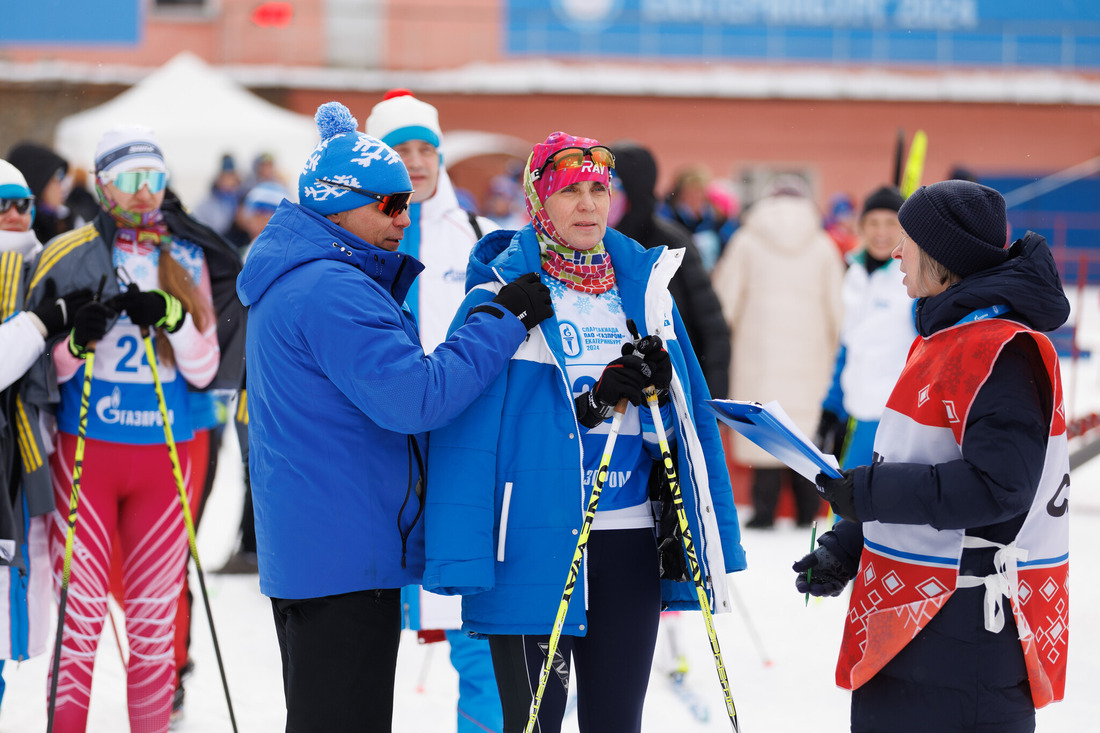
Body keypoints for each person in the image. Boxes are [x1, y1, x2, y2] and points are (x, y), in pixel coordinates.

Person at [235, 101, 552, 733]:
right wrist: (500, 321)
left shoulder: (304, 274)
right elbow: (418, 398)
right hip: (346, 553)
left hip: (322, 547)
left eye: (408, 203)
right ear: (337, 201)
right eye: (389, 205)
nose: (404, 220)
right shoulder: (332, 288)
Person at [423, 131, 746, 733]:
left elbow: (684, 428)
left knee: (617, 722)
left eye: (599, 189)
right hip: (532, 539)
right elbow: (471, 436)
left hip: (629, 538)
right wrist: (595, 401)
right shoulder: (503, 294)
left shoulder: (644, 295)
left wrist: (656, 394)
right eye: (570, 190)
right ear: (539, 201)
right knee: (534, 723)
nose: (588, 204)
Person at [795, 180, 1071, 733]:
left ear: (944, 257)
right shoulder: (943, 337)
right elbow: (915, 456)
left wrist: (868, 494)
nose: (894, 251)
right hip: (912, 625)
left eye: (907, 239)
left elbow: (998, 490)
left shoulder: (1001, 351)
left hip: (963, 637)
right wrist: (847, 546)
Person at [24, 124, 242, 732]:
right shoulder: (71, 251)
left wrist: (171, 314)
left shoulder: (188, 255)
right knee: (82, 620)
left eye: (154, 180)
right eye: (129, 181)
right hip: (86, 454)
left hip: (163, 463)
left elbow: (201, 367)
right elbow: (54, 368)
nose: (144, 194)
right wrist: (78, 336)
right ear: (103, 186)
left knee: (151, 623)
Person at [365, 88, 505, 733]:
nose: (416, 161)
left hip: (457, 445)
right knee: (365, 630)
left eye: (427, 148)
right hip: (377, 446)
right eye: (401, 148)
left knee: (472, 629)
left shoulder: (476, 235)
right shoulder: (354, 238)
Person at [0, 159, 92, 712]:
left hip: (26, 460)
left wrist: (76, 339)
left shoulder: (45, 265)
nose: (14, 214)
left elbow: (42, 378)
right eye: (2, 204)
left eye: (23, 203)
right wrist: (39, 323)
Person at [712, 174, 844, 528]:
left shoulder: (745, 242)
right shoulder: (823, 246)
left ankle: (764, 510)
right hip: (810, 360)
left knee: (765, 429)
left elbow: (725, 303)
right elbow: (839, 310)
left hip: (759, 357)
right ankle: (806, 513)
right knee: (802, 435)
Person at [609, 141, 730, 399]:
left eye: (613, 186)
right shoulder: (596, 244)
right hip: (614, 393)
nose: (605, 196)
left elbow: (711, 326)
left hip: (672, 391)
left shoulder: (671, 244)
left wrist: (712, 400)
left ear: (632, 189)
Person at [814, 185, 915, 468]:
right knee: (845, 506)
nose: (880, 232)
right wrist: (831, 411)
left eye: (890, 223)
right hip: (855, 415)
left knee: (872, 508)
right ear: (861, 227)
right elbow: (848, 348)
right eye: (873, 223)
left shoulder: (913, 279)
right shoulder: (854, 274)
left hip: (896, 419)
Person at [659, 165, 736, 272]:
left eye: (699, 191)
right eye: (691, 191)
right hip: (677, 274)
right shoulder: (667, 216)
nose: (695, 197)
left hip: (709, 274)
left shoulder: (716, 218)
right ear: (681, 194)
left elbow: (731, 243)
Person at [7, 141, 71, 245]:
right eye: (59, 176)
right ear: (40, 180)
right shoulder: (24, 233)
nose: (64, 187)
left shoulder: (63, 222)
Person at [193, 153, 243, 238]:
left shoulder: (242, 198)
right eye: (225, 176)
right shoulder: (206, 203)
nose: (228, 181)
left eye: (231, 175)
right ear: (219, 177)